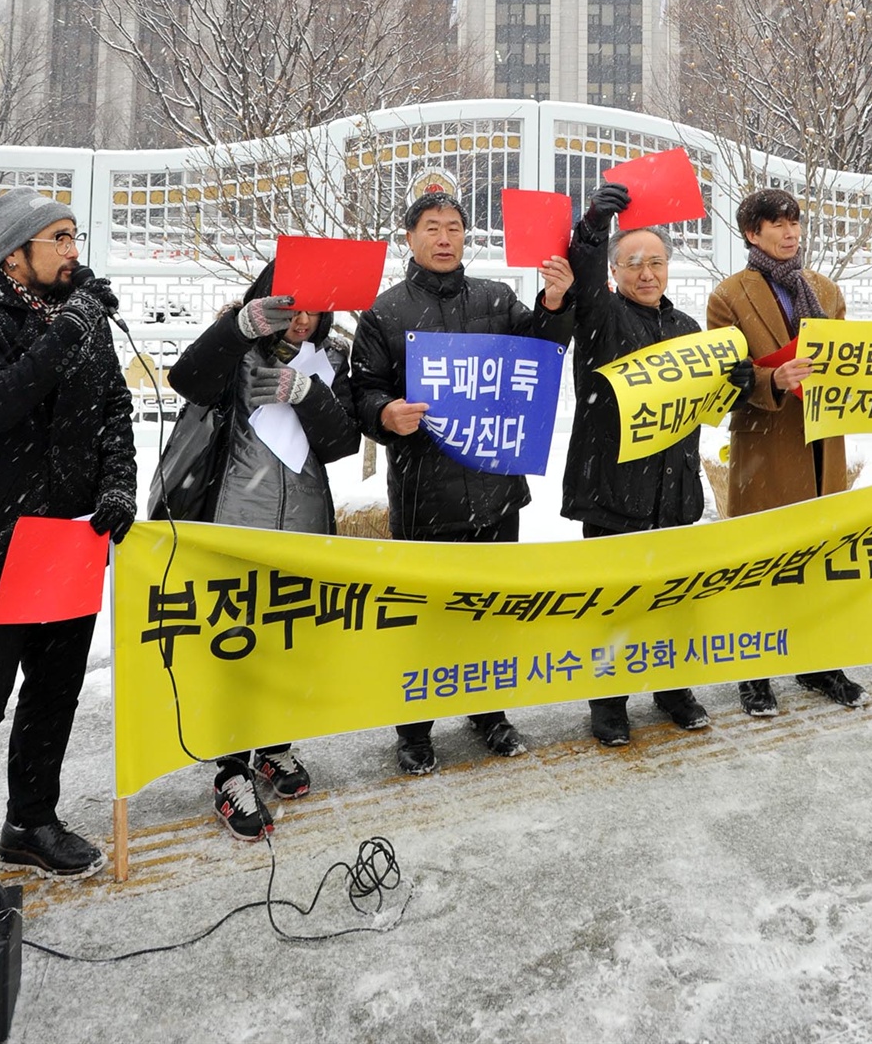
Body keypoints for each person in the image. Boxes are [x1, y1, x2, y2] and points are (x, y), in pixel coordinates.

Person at [0, 188, 137, 889]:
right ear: (15, 253)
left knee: (55, 693)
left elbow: (114, 408)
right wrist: (69, 329)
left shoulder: (85, 320)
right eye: (60, 238)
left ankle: (31, 822)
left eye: (75, 236)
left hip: (70, 541)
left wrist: (116, 486)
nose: (74, 250)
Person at [351, 191, 574, 774]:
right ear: (410, 238)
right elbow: (362, 390)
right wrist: (383, 412)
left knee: (492, 612)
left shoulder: (497, 299)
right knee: (426, 617)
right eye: (432, 228)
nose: (445, 237)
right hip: (426, 492)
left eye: (454, 227)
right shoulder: (385, 313)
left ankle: (489, 713)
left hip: (497, 489)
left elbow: (544, 348)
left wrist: (553, 302)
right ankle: (416, 728)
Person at [165, 262, 360, 839]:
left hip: (303, 526)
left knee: (286, 640)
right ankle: (230, 769)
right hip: (231, 524)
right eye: (291, 307)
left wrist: (308, 394)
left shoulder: (333, 359)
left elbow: (343, 441)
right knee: (233, 643)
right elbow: (187, 379)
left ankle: (275, 746)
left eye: (314, 310)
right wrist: (238, 330)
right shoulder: (235, 344)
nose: (302, 321)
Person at [562, 181, 753, 745]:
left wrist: (738, 385)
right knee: (615, 604)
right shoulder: (599, 317)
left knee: (673, 602)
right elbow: (583, 274)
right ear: (615, 272)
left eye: (657, 262)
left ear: (669, 268)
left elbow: (709, 404)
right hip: (612, 490)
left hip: (674, 491)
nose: (647, 273)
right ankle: (609, 703)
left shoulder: (688, 329)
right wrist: (594, 228)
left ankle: (672, 690)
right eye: (634, 264)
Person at [707, 187, 866, 717]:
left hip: (822, 441)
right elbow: (723, 374)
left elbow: (847, 357)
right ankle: (755, 672)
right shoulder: (728, 296)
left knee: (820, 558)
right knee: (764, 561)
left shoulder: (825, 289)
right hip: (767, 444)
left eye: (795, 222)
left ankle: (820, 659)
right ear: (752, 233)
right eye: (777, 224)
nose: (790, 232)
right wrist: (771, 377)